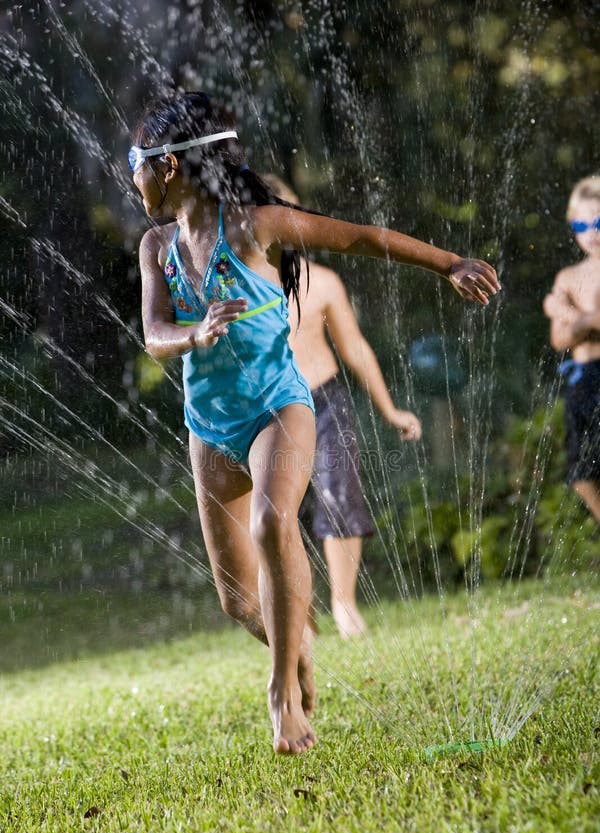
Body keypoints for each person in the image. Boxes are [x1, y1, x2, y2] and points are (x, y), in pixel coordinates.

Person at [130, 91, 500, 755]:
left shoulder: (254, 225)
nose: (128, 174)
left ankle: (283, 696)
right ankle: (294, 646)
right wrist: (194, 336)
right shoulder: (156, 245)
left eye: (133, 160)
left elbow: (360, 237)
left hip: (280, 405)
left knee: (274, 521)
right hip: (208, 427)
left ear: (165, 167)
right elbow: (155, 332)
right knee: (241, 603)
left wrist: (450, 263)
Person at [260, 174, 422, 640]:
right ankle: (297, 613)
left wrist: (390, 409)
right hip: (269, 409)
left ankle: (344, 603)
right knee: (276, 513)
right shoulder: (242, 286)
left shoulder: (325, 283)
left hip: (326, 400)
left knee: (340, 496)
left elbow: (355, 348)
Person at [543, 175, 600, 524]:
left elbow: (574, 325)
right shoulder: (567, 277)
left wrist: (567, 314)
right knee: (581, 472)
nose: (591, 231)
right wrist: (585, 321)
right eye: (581, 223)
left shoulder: (563, 294)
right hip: (582, 380)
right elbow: (559, 340)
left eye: (599, 221)